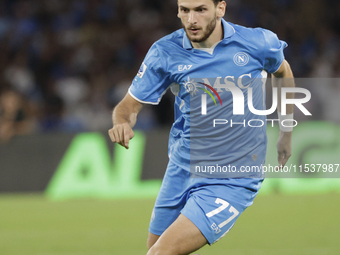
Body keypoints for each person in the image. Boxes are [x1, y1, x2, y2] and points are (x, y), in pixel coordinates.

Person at [108, 0, 294, 254]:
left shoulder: (258, 42)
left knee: (160, 253)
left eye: (200, 9)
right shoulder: (165, 51)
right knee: (154, 249)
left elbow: (284, 72)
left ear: (221, 9)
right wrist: (122, 123)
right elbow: (129, 106)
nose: (191, 19)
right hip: (182, 168)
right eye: (185, 10)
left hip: (232, 176)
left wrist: (286, 130)